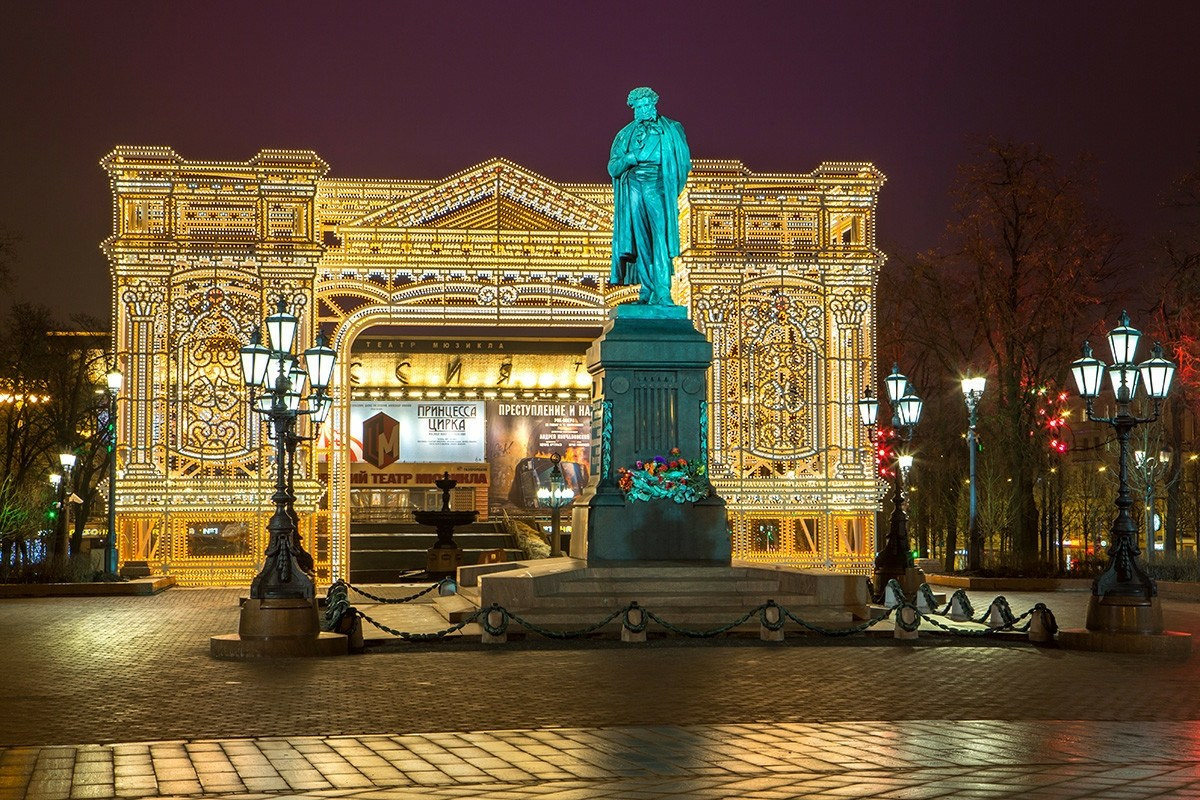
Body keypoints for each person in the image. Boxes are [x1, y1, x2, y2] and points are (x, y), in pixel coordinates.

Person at [608, 87, 691, 306]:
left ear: (654, 104)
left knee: (660, 240)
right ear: (633, 109)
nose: (644, 110)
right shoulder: (624, 135)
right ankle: (647, 289)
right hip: (634, 187)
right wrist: (630, 158)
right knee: (641, 241)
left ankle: (663, 291)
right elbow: (613, 167)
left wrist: (670, 189)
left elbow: (683, 164)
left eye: (647, 105)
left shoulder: (672, 129)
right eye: (639, 107)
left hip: (659, 186)